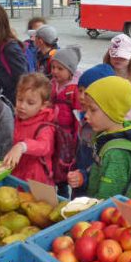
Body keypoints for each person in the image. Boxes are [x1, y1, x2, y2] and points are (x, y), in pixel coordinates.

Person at [67, 76, 131, 199]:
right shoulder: (105, 137)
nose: (86, 115)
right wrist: (83, 176)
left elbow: (107, 200)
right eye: (87, 109)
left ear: (111, 111)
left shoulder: (117, 155)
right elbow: (98, 173)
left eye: (92, 110)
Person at [3, 73, 56, 184]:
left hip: (35, 180)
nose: (22, 106)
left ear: (43, 105)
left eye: (30, 103)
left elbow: (44, 146)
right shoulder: (15, 118)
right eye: (20, 99)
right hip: (15, 174)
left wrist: (22, 146)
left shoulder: (45, 126)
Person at [72, 63, 115, 198]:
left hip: (92, 192)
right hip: (78, 184)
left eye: (87, 92)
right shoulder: (84, 119)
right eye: (80, 90)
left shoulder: (103, 128)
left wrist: (84, 176)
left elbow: (100, 164)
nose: (81, 96)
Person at [50, 46, 82, 196]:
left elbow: (78, 119)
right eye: (53, 67)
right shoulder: (52, 85)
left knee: (63, 167)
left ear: (70, 71)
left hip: (67, 138)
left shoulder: (73, 91)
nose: (55, 71)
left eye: (60, 68)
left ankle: (63, 194)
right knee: (53, 164)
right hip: (52, 133)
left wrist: (77, 140)